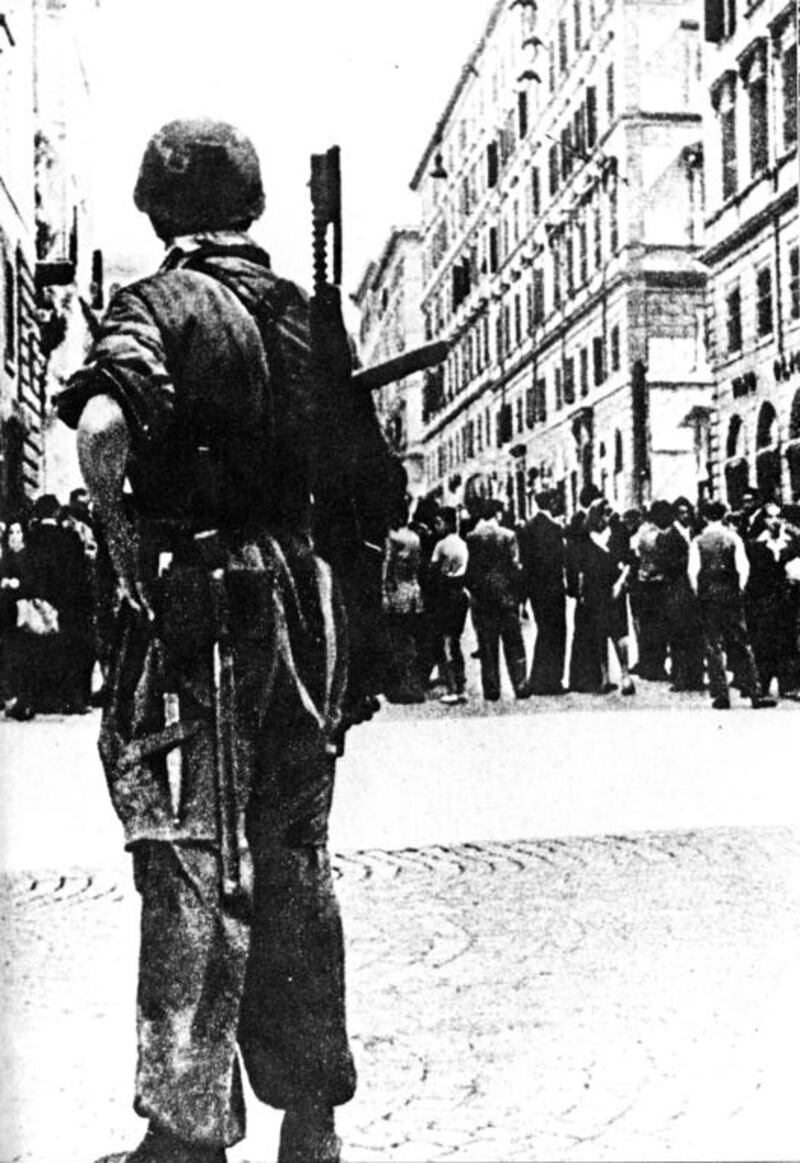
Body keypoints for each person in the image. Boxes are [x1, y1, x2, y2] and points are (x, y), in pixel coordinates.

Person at [55, 118, 401, 1163]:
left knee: (192, 863)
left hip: (198, 617)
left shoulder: (153, 306)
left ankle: (186, 1130)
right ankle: (313, 1120)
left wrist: (123, 556)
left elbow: (103, 431)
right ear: (249, 207)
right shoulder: (307, 315)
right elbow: (371, 486)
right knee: (295, 865)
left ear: (158, 209)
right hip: (301, 620)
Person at [688, 499, 775, 710]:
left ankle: (721, 695)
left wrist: (699, 593)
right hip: (731, 595)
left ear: (705, 516)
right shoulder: (733, 538)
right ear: (724, 515)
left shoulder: (698, 541)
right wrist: (739, 589)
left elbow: (693, 572)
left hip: (709, 596)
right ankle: (755, 692)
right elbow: (743, 568)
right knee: (742, 643)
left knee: (713, 645)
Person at [570, 499, 635, 696]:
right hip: (593, 590)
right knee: (598, 634)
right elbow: (580, 567)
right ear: (595, 515)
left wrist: (620, 584)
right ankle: (604, 677)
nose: (607, 518)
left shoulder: (618, 534)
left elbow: (628, 562)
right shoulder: (584, 537)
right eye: (604, 514)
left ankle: (625, 675)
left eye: (609, 514)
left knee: (619, 634)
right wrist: (580, 591)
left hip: (614, 589)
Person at [465, 498, 526, 701]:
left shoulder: (472, 538)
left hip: (483, 601)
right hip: (506, 599)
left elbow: (470, 571)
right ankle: (520, 684)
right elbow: (516, 567)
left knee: (487, 646)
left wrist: (476, 592)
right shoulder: (508, 536)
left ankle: (491, 689)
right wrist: (516, 594)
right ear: (497, 514)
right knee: (514, 644)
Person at [517, 489, 567, 695]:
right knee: (556, 633)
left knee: (544, 631)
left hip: (536, 591)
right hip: (553, 588)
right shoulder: (555, 529)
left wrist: (524, 597)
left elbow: (525, 564)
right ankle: (551, 680)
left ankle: (537, 678)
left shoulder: (527, 528)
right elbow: (560, 559)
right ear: (552, 502)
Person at [381, 496, 425, 703]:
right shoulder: (414, 537)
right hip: (413, 591)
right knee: (411, 640)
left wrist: (383, 593)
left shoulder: (391, 538)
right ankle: (415, 685)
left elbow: (387, 566)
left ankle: (401, 686)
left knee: (397, 641)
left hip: (396, 591)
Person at [661, 498, 705, 692]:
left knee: (696, 633)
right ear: (675, 514)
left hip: (695, 589)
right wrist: (688, 558)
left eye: (688, 512)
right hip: (677, 589)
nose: (685, 516)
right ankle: (679, 677)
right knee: (678, 634)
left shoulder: (696, 533)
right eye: (681, 512)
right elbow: (666, 565)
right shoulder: (667, 536)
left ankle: (696, 677)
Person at [428, 506, 470, 705]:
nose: (436, 527)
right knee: (455, 641)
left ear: (447, 523)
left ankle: (453, 688)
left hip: (445, 595)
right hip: (460, 594)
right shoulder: (462, 544)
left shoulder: (441, 545)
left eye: (438, 523)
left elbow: (432, 570)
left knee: (446, 642)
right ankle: (460, 684)